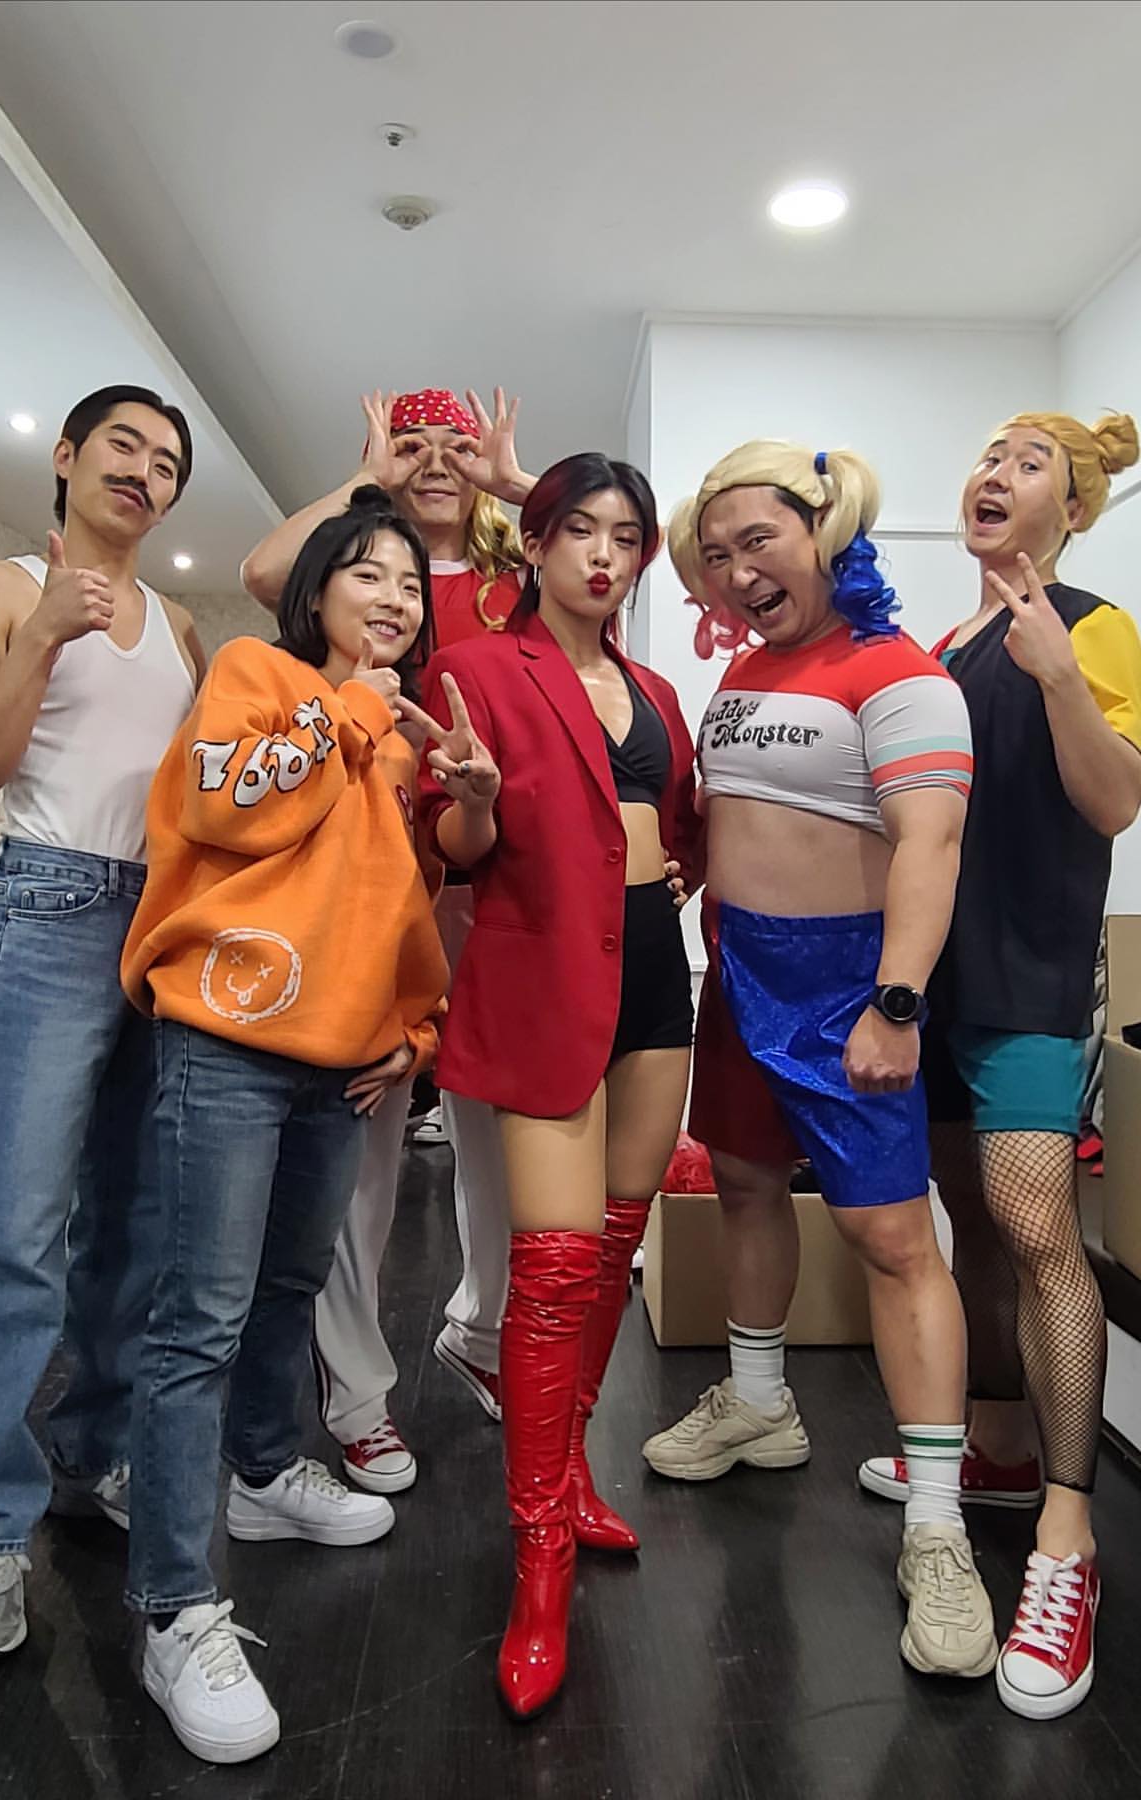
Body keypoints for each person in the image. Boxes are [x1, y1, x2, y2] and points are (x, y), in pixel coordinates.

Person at [642, 439, 995, 1683]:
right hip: (741, 973)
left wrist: (896, 1002)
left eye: (761, 541)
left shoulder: (900, 673)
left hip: (852, 985)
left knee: (894, 1240)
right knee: (743, 1184)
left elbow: (930, 846)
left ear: (825, 532)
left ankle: (938, 1527)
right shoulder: (746, 669)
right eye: (719, 553)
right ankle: (760, 1402)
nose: (741, 571)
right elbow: (734, 813)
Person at [120, 488, 449, 1764]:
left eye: (410, 582)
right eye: (368, 573)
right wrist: (351, 709)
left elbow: (393, 898)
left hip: (341, 1058)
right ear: (317, 590)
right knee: (195, 1318)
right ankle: (171, 1607)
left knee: (289, 1287)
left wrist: (412, 1027)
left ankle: (263, 1477)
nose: (394, 596)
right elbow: (229, 806)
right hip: (227, 1032)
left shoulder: (399, 738)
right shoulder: (258, 674)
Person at [857, 412, 1141, 1721]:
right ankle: (997, 1448)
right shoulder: (935, 651)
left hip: (1032, 976)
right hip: (934, 981)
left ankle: (1067, 1541)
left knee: (1037, 1224)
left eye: (1030, 465)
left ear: (1070, 510)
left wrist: (1062, 680)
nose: (997, 475)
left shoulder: (1092, 626)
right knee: (968, 1218)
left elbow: (1116, 801)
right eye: (991, 457)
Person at [413, 453, 700, 1719]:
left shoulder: (657, 690)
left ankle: (573, 1472)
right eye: (578, 529)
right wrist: (473, 802)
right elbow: (453, 842)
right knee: (554, 1266)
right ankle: (538, 1560)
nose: (602, 554)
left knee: (621, 1238)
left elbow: (673, 825)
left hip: (654, 975)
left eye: (625, 536)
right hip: (542, 975)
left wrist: (677, 873)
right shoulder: (478, 668)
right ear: (532, 545)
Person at [0, 384, 203, 1664]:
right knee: (16, 1233)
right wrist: (41, 632)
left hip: (165, 923)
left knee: (135, 1229)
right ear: (67, 456)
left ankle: (92, 1454)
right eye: (123, 446)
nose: (143, 471)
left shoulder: (183, 628)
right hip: (49, 906)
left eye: (167, 462)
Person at [241, 387, 534, 1489]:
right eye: (413, 446)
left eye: (457, 447)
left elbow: (610, 557)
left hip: (490, 877)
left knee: (497, 1137)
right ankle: (357, 1392)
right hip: (375, 885)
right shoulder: (362, 575)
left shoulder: (512, 583)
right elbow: (267, 573)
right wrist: (369, 476)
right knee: (360, 1138)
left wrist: (515, 482)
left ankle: (483, 1331)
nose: (436, 462)